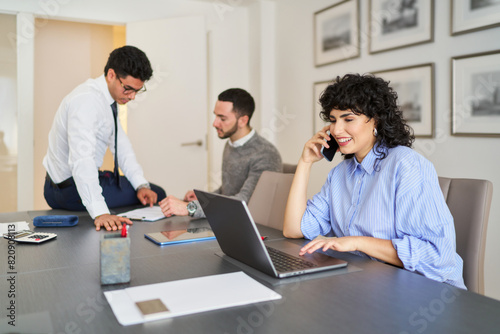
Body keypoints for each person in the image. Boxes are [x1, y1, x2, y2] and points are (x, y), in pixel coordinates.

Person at [283, 73, 466, 289]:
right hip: (367, 284)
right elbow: (293, 230)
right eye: (333, 120)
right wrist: (305, 163)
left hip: (425, 291)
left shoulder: (406, 165)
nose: (336, 130)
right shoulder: (339, 174)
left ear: (376, 120)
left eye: (348, 119)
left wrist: (356, 241)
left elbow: (437, 255)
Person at [43, 45, 166, 232]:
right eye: (128, 89)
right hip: (67, 190)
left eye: (137, 91)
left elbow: (122, 146)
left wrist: (141, 184)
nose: (132, 96)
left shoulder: (106, 98)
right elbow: (81, 160)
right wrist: (101, 212)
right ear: (111, 75)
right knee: (159, 194)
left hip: (67, 184)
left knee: (150, 191)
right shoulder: (86, 101)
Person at [159, 88, 282, 218]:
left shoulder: (265, 155)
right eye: (216, 115)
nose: (215, 123)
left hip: (251, 224)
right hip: (230, 218)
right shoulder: (231, 144)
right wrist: (203, 198)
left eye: (222, 118)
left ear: (243, 121)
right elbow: (228, 192)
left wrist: (191, 207)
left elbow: (243, 202)